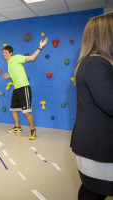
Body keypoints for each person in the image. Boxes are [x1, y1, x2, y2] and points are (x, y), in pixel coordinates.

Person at [71, 14, 113, 200]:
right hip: (98, 146)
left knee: (92, 191)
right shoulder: (96, 63)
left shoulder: (95, 62)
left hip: (98, 144)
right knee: (93, 192)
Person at [2, 38, 48, 140]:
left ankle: (33, 130)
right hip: (16, 89)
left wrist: (40, 47)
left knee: (26, 112)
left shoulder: (17, 57)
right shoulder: (9, 63)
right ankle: (18, 127)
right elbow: (16, 72)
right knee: (13, 109)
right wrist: (10, 76)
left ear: (11, 53)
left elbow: (32, 58)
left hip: (24, 88)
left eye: (6, 52)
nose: (4, 54)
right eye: (3, 52)